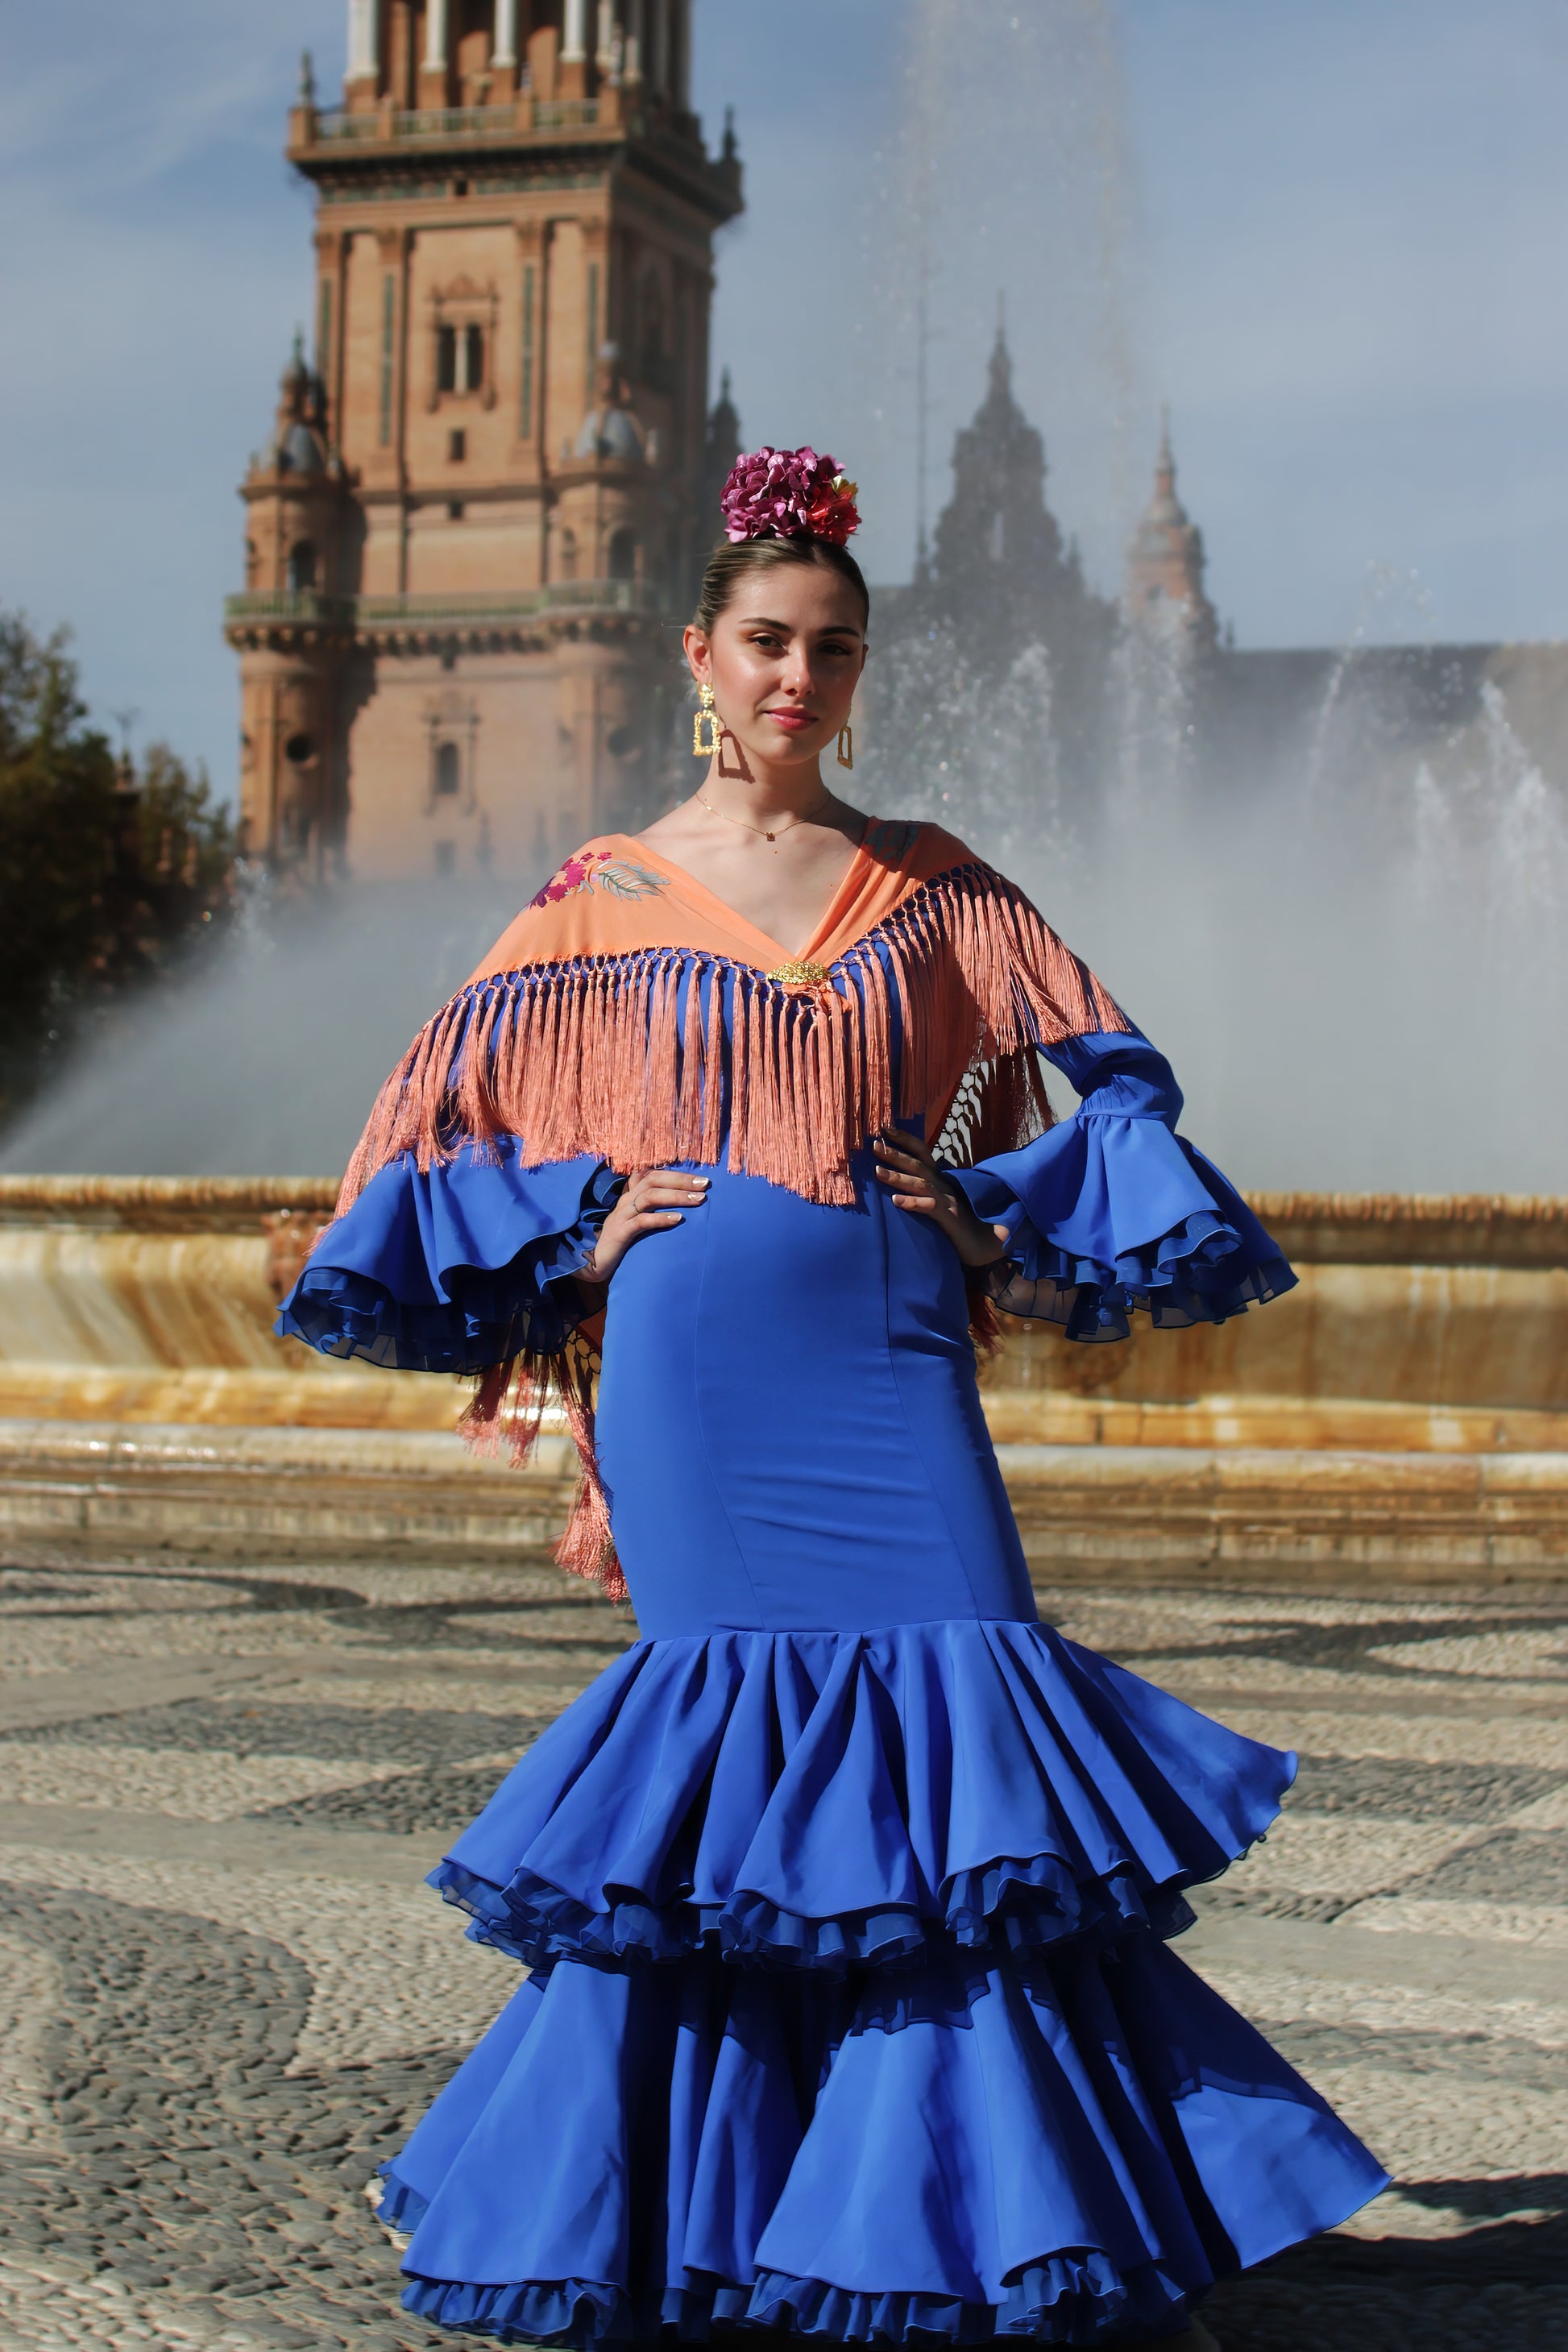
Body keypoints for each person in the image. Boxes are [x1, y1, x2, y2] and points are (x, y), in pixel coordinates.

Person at [279, 446, 1387, 2347]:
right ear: (698, 657)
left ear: (860, 673)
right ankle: (715, 2231)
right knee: (734, 1811)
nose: (801, 676)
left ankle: (977, 2228)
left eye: (835, 649)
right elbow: (423, 1121)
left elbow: (1118, 1089)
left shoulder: (935, 881)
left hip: (890, 1357)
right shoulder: (598, 893)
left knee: (967, 1752)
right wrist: (573, 1220)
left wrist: (988, 1200)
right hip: (698, 1378)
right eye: (770, 641)